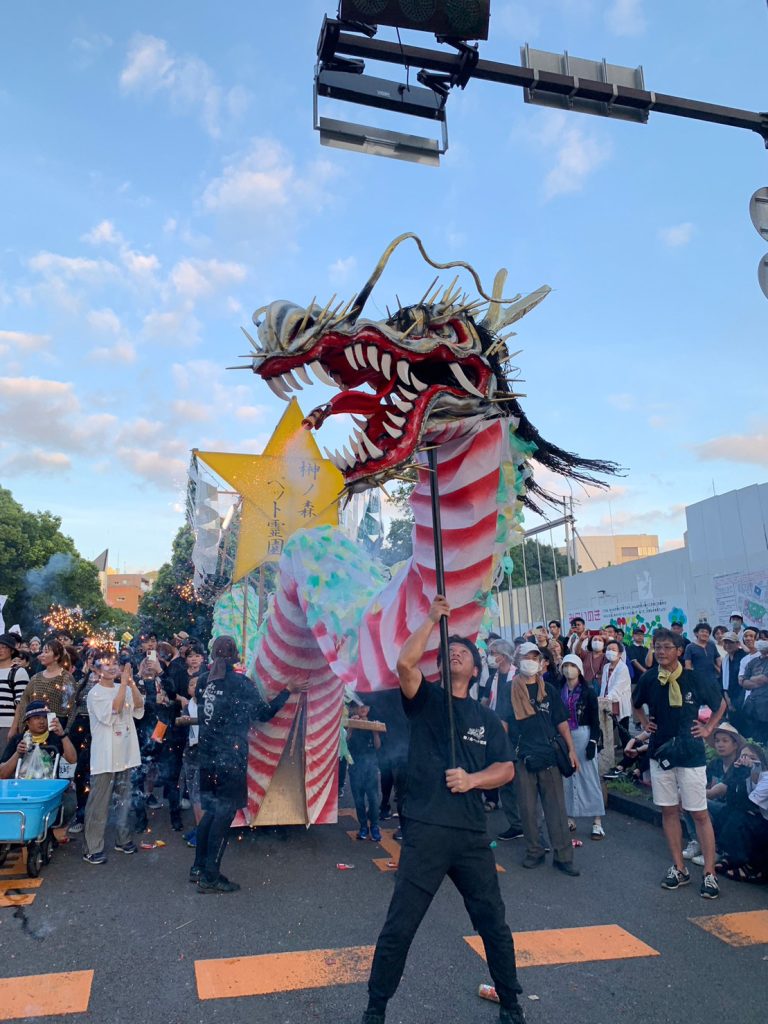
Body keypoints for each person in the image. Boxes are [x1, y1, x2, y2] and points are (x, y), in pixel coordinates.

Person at [362, 597, 525, 1024]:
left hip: (471, 836)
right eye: (449, 650)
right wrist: (434, 619)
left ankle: (511, 1005)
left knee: (493, 923)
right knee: (401, 925)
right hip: (426, 829)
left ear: (475, 669)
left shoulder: (487, 719)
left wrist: (472, 780)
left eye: (465, 652)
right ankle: (375, 1007)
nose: (456, 652)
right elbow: (404, 663)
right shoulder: (427, 699)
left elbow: (506, 768)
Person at [191, 636, 309, 893]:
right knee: (223, 816)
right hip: (229, 760)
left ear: (212, 655)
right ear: (235, 656)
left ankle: (198, 867)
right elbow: (264, 715)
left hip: (207, 758)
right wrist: (287, 689)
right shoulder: (241, 684)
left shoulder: (203, 682)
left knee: (210, 812)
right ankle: (211, 876)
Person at [633, 627, 727, 899]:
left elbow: (720, 703)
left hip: (690, 751)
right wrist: (643, 722)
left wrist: (709, 728)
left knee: (698, 812)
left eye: (666, 647)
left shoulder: (694, 678)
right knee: (669, 811)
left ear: (679, 651)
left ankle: (709, 873)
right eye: (657, 647)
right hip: (660, 752)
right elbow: (636, 703)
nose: (660, 652)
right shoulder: (650, 679)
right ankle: (679, 867)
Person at [510, 642, 579, 875]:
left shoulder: (548, 689)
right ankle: (534, 851)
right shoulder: (509, 690)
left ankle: (563, 856)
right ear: (517, 661)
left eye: (534, 657)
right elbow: (501, 724)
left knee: (557, 809)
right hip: (522, 757)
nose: (530, 661)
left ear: (541, 662)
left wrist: (571, 750)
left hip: (549, 755)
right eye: (525, 657)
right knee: (528, 810)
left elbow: (561, 722)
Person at [82, 656, 145, 864]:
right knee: (99, 803)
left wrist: (131, 683)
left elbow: (138, 707)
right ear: (97, 669)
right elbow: (115, 710)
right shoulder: (95, 693)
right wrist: (124, 684)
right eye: (107, 664)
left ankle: (123, 839)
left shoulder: (124, 686)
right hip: (104, 756)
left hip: (127, 753)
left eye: (114, 664)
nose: (112, 668)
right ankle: (93, 847)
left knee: (124, 800)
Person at [682, 721, 744, 862]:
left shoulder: (738, 766)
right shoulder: (715, 763)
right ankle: (698, 841)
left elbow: (716, 791)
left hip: (731, 810)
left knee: (692, 799)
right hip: (714, 805)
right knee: (689, 800)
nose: (720, 744)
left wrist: (691, 793)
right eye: (717, 741)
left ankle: (715, 849)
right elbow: (703, 784)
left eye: (725, 741)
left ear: (735, 745)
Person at [559, 654, 605, 839]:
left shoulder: (588, 692)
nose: (568, 669)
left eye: (572, 665)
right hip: (563, 736)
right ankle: (570, 817)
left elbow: (596, 721)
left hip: (583, 734)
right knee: (567, 778)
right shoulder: (558, 690)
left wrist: (593, 741)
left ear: (579, 669)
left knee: (589, 777)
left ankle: (597, 821)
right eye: (565, 665)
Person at [712, 743, 768, 882]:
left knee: (740, 817)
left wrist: (743, 775)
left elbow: (749, 804)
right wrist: (737, 777)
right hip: (756, 818)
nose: (747, 760)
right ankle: (728, 855)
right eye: (743, 756)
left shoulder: (766, 779)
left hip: (763, 821)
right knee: (729, 812)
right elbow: (732, 801)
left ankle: (747, 866)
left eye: (752, 757)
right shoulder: (746, 777)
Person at [488, 640, 524, 842]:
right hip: (498, 735)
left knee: (521, 783)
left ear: (503, 655)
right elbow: (488, 701)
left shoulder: (518, 676)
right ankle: (515, 824)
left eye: (493, 652)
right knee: (506, 783)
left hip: (515, 737)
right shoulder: (494, 676)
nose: (491, 656)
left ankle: (529, 823)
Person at [0, 700, 77, 779]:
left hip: (50, 788)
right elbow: (2, 775)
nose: (42, 721)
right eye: (37, 718)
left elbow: (72, 760)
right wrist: (18, 753)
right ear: (27, 722)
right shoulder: (18, 740)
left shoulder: (55, 737)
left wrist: (62, 734)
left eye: (45, 717)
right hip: (23, 788)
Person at [11, 639, 76, 731]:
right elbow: (24, 701)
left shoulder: (66, 677)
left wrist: (66, 730)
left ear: (56, 656)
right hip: (35, 727)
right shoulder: (36, 678)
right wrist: (21, 726)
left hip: (56, 726)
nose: (42, 655)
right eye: (42, 652)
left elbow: (71, 706)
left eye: (46, 652)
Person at [347, 701, 382, 842]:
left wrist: (375, 733)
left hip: (371, 766)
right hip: (355, 765)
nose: (363, 709)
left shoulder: (374, 723)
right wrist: (350, 728)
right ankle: (363, 826)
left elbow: (378, 746)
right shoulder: (352, 722)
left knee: (373, 799)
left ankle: (374, 826)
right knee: (359, 799)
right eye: (360, 706)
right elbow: (345, 743)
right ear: (355, 708)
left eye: (366, 706)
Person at [0, 632, 29, 749]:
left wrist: (14, 727)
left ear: (12, 651)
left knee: (4, 764)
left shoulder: (18, 672)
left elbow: (21, 703)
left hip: (7, 725)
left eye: (4, 647)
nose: (0, 650)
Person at [599, 640, 633, 735]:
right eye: (608, 649)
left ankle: (627, 748)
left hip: (619, 703)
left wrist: (608, 698)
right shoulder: (606, 666)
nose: (610, 651)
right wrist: (603, 698)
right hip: (607, 703)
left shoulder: (623, 668)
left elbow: (618, 687)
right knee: (606, 731)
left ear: (620, 653)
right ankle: (607, 749)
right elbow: (603, 686)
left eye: (613, 649)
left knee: (623, 731)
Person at [740, 635, 768, 744]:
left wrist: (752, 679)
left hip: (766, 704)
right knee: (755, 739)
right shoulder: (752, 662)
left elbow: (764, 679)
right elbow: (743, 682)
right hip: (753, 705)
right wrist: (756, 680)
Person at [684, 623, 721, 691]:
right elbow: (688, 666)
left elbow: (718, 659)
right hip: (698, 682)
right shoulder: (690, 647)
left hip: (713, 680)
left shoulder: (712, 645)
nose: (705, 634)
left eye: (707, 632)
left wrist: (721, 671)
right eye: (702, 631)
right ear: (696, 633)